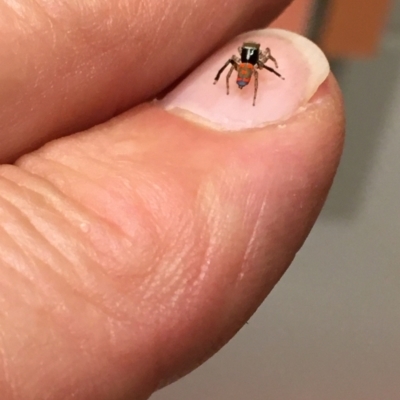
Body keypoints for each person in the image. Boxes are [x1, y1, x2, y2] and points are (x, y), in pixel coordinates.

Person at [0, 0, 344, 398]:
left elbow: (248, 65)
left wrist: (237, 83)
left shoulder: (247, 62)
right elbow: (251, 65)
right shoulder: (251, 61)